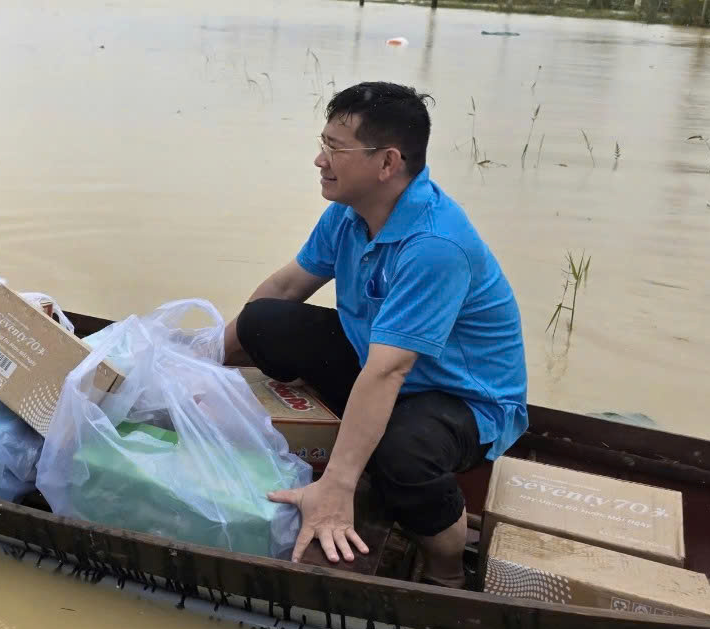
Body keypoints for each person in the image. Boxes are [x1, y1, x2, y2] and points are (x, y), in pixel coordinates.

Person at [223, 82, 526, 587]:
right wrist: (202, 363)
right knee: (262, 321)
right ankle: (349, 444)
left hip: (460, 397)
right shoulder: (349, 213)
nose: (320, 160)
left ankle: (448, 573)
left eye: (335, 149)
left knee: (401, 453)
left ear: (387, 163)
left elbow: (389, 372)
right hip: (379, 364)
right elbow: (286, 286)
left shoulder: (435, 245)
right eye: (323, 143)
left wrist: (335, 489)